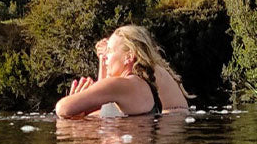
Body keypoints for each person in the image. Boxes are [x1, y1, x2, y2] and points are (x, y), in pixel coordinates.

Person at [56, 25, 185, 119]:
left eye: (110, 51)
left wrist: (75, 101)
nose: (106, 56)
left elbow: (63, 108)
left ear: (129, 56)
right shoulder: (147, 81)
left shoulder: (120, 84)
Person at [93, 27, 190, 113]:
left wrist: (103, 58)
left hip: (168, 120)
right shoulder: (150, 67)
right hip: (173, 119)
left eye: (110, 51)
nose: (107, 56)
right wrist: (104, 58)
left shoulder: (144, 70)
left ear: (129, 54)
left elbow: (102, 99)